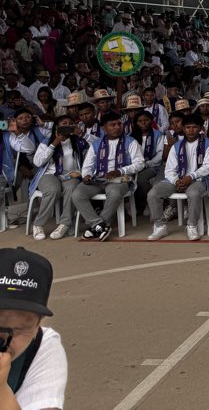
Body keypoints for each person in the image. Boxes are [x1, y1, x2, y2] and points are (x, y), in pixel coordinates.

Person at [0, 247, 67, 409]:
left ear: (38, 324)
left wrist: (1, 390)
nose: (4, 340)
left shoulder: (43, 347)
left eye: (20, 329)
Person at [72, 112, 145, 241]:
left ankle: (98, 227)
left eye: (119, 124)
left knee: (114, 193)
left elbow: (140, 163)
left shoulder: (130, 141)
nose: (117, 127)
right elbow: (88, 165)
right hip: (98, 179)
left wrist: (120, 171)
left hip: (120, 179)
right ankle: (98, 225)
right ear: (104, 128)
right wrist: (86, 175)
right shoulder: (97, 144)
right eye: (112, 125)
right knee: (78, 194)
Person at [146, 114, 209, 242]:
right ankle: (160, 226)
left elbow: (207, 167)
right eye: (188, 127)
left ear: (200, 128)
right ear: (183, 128)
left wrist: (190, 177)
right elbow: (169, 170)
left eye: (195, 127)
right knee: (153, 193)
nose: (191, 130)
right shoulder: (177, 146)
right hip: (178, 180)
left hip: (198, 180)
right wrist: (176, 180)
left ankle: (191, 225)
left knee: (194, 193)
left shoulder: (208, 144)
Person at [28, 113, 87, 240]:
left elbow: (93, 151)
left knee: (72, 188)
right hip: (49, 174)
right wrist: (55, 143)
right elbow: (38, 162)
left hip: (70, 175)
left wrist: (81, 172)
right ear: (57, 127)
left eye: (70, 123)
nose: (67, 126)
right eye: (63, 124)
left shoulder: (78, 141)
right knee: (53, 190)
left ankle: (64, 224)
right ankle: (38, 224)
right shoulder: (47, 141)